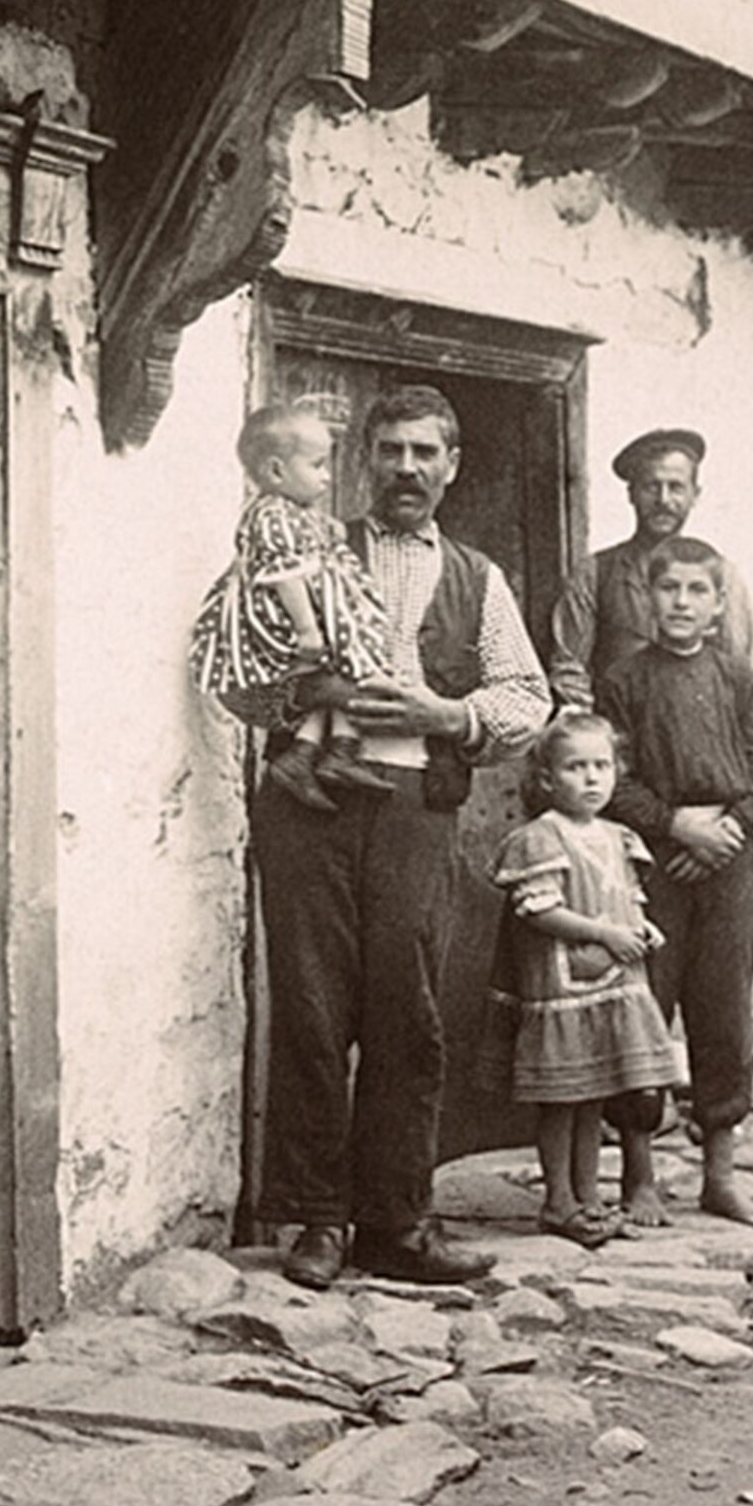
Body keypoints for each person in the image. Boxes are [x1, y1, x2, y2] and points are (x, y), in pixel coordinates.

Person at [249, 383, 551, 1291]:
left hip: (418, 801)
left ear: (451, 467)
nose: (407, 469)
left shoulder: (476, 578)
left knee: (407, 1013)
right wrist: (313, 692)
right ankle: (316, 1222)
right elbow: (239, 671)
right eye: (391, 451)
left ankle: (396, 1223)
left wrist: (446, 712)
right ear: (364, 459)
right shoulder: (308, 546)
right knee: (309, 1007)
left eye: (426, 453)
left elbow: (527, 698)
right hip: (308, 800)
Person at [599, 537, 753, 1226]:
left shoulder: (734, 676)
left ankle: (719, 1174)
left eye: (694, 592)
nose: (679, 602)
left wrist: (723, 834)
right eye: (667, 589)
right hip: (656, 867)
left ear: (714, 606)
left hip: (728, 868)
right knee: (644, 1008)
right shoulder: (623, 680)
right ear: (646, 599)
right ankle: (638, 1176)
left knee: (721, 1012)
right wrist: (673, 824)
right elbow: (610, 779)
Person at [489, 712, 673, 1248]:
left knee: (594, 1094)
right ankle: (558, 1201)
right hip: (563, 988)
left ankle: (589, 1198)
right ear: (547, 778)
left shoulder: (620, 837)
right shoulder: (540, 838)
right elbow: (539, 910)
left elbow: (627, 899)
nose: (592, 779)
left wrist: (640, 930)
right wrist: (605, 933)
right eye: (575, 768)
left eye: (601, 766)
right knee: (563, 1098)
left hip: (612, 985)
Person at [190, 402, 390, 809]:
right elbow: (286, 574)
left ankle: (313, 754)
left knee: (342, 674)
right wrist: (307, 628)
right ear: (277, 471)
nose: (327, 477)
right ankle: (335, 750)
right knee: (343, 675)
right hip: (283, 623)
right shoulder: (270, 514)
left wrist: (329, 533)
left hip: (317, 616)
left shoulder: (298, 513)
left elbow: (317, 549)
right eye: (317, 466)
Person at [549, 428, 753, 711]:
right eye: (651, 486)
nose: (663, 500)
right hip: (618, 739)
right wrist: (599, 736)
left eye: (676, 487)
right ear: (632, 494)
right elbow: (568, 669)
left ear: (694, 495)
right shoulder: (595, 573)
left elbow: (744, 672)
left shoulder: (721, 576)